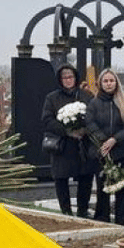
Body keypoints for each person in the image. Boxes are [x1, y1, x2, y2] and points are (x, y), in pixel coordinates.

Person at [41, 62, 96, 217]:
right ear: (60, 80)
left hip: (82, 145)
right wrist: (66, 131)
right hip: (63, 145)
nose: (67, 80)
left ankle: (83, 210)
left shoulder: (86, 96)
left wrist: (83, 129)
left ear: (75, 78)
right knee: (61, 178)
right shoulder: (52, 98)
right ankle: (66, 211)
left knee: (86, 177)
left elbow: (93, 115)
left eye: (70, 76)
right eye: (64, 77)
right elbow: (47, 120)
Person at [87, 67, 124, 226]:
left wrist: (115, 140)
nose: (108, 84)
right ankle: (102, 217)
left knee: (122, 187)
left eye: (111, 80)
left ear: (116, 83)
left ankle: (123, 219)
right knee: (102, 187)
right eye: (105, 81)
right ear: (100, 83)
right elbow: (90, 124)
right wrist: (103, 141)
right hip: (102, 152)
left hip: (121, 150)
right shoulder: (94, 103)